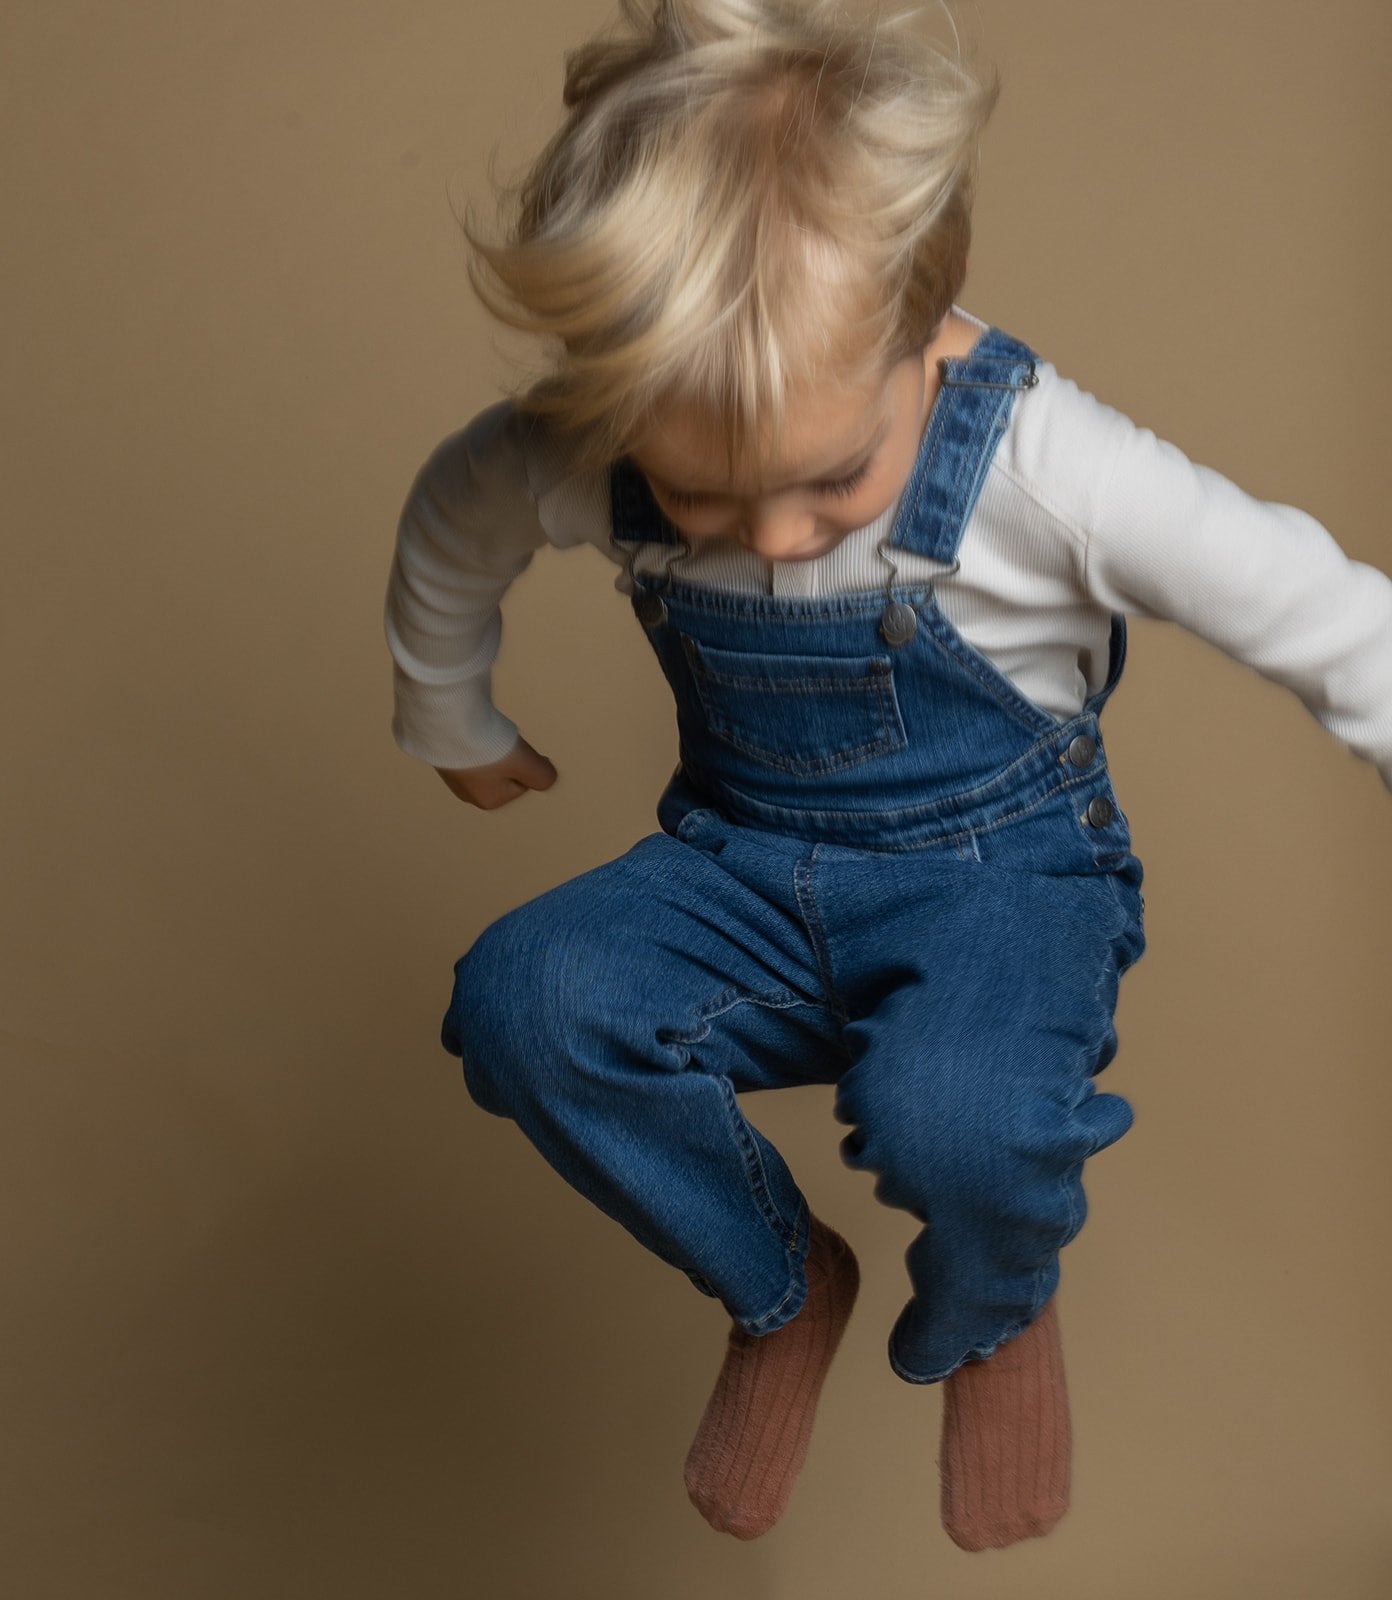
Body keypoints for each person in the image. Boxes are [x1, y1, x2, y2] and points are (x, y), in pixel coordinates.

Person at [383, 0, 1392, 1553]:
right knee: (527, 997)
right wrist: (450, 713)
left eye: (830, 483)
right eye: (703, 494)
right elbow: (457, 521)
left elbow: (1325, 613)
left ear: (927, 324)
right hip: (739, 864)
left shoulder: (1049, 464)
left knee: (960, 1120)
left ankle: (993, 1312)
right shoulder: (591, 442)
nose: (777, 536)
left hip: (1004, 875)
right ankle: (781, 1289)